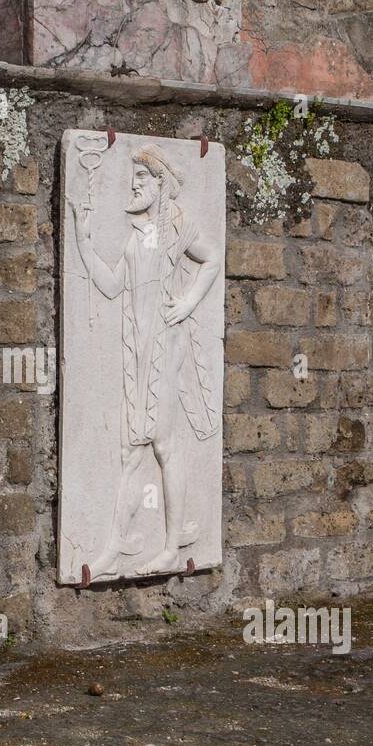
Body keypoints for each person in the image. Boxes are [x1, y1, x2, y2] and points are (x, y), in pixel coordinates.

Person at [66, 144, 222, 578]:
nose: (133, 184)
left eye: (141, 178)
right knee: (132, 451)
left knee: (165, 446)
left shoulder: (179, 225)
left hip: (165, 351)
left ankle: (171, 546)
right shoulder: (139, 236)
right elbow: (112, 285)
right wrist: (82, 238)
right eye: (133, 177)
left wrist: (189, 302)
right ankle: (118, 544)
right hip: (137, 353)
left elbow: (211, 258)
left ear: (160, 185)